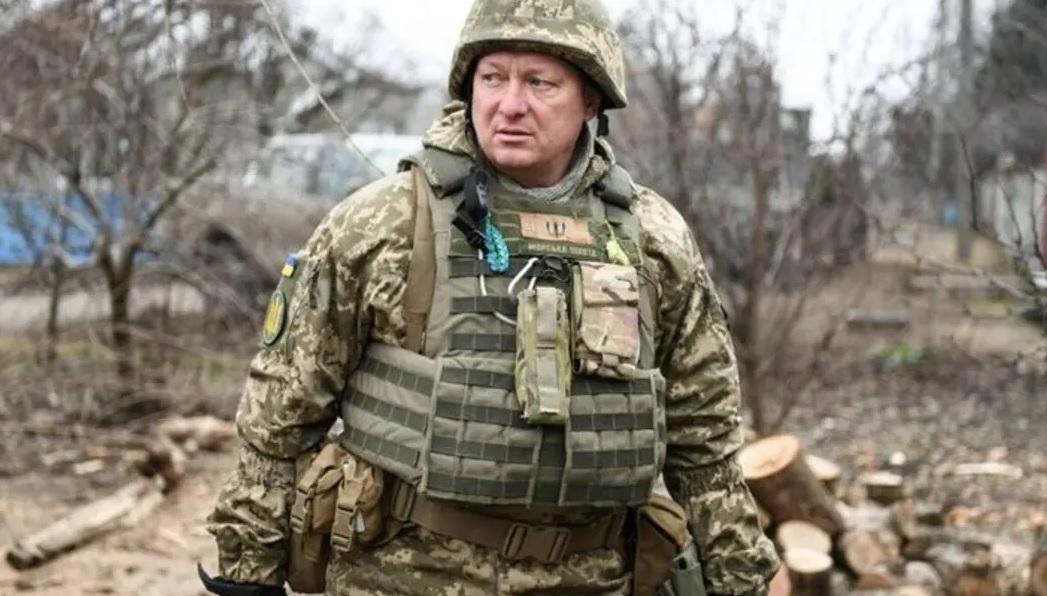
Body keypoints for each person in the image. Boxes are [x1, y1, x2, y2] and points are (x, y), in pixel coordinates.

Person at [202, 1, 780, 594]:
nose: (509, 104)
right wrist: (249, 571)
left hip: (591, 578)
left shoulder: (653, 238)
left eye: (539, 83)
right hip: (401, 578)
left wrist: (738, 577)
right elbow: (279, 417)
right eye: (493, 78)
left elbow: (705, 440)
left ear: (591, 101)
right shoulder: (382, 223)